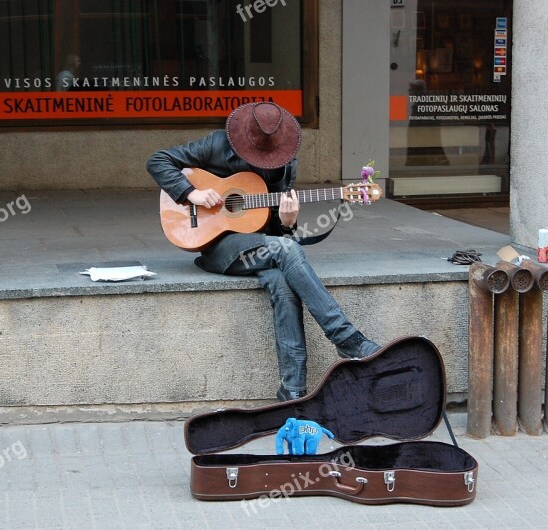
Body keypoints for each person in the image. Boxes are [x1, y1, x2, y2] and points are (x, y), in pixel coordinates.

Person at [146, 102, 380, 401]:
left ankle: (292, 391)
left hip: (258, 247)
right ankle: (346, 337)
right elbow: (158, 161)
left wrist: (287, 222)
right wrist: (193, 193)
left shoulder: (286, 164)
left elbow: (276, 234)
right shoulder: (217, 143)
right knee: (285, 249)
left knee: (282, 280)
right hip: (218, 246)